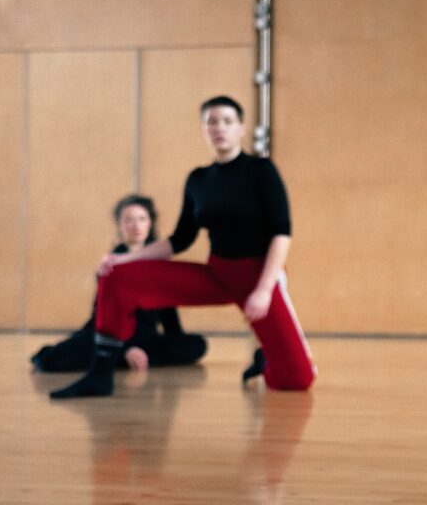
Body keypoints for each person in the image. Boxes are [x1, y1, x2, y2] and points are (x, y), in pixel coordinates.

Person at [50, 95, 315, 399]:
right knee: (117, 275)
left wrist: (265, 289)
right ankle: (100, 375)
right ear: (204, 129)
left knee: (297, 380)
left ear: (241, 128)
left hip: (258, 278)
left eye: (227, 121)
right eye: (211, 121)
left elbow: (282, 232)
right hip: (217, 275)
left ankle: (264, 358)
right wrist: (124, 259)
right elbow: (179, 240)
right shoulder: (199, 180)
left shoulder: (261, 171)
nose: (219, 128)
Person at [31, 195, 207, 374]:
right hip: (112, 335)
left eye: (141, 219)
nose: (135, 226)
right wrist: (126, 348)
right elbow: (102, 315)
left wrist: (176, 340)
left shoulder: (160, 262)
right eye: (128, 220)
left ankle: (122, 357)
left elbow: (168, 310)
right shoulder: (111, 264)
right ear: (120, 225)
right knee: (49, 361)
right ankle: (123, 355)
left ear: (150, 223)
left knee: (197, 345)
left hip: (145, 338)